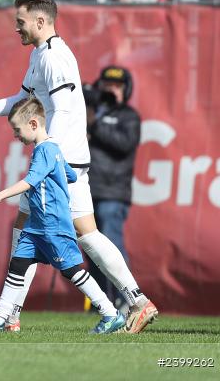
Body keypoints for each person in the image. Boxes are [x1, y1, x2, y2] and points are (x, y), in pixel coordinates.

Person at [0, 0, 158, 334]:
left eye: (20, 21)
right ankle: (11, 314)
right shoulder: (39, 55)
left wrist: (48, 154)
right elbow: (24, 100)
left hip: (62, 162)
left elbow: (62, 111)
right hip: (64, 159)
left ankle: (129, 302)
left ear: (40, 21)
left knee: (78, 236)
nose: (16, 28)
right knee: (49, 228)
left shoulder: (54, 57)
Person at [0, 98, 124, 334]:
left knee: (72, 270)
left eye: (17, 130)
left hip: (52, 224)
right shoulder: (53, 150)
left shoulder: (44, 150)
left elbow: (30, 181)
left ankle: (110, 313)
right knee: (17, 264)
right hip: (36, 226)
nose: (16, 135)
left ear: (34, 124)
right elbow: (70, 176)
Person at [86, 66, 141, 308]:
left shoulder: (129, 116)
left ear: (125, 90)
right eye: (106, 85)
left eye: (116, 86)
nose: (110, 90)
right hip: (87, 189)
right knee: (92, 248)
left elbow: (124, 144)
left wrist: (94, 125)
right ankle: (104, 302)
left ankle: (126, 297)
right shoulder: (89, 111)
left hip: (113, 193)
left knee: (112, 245)